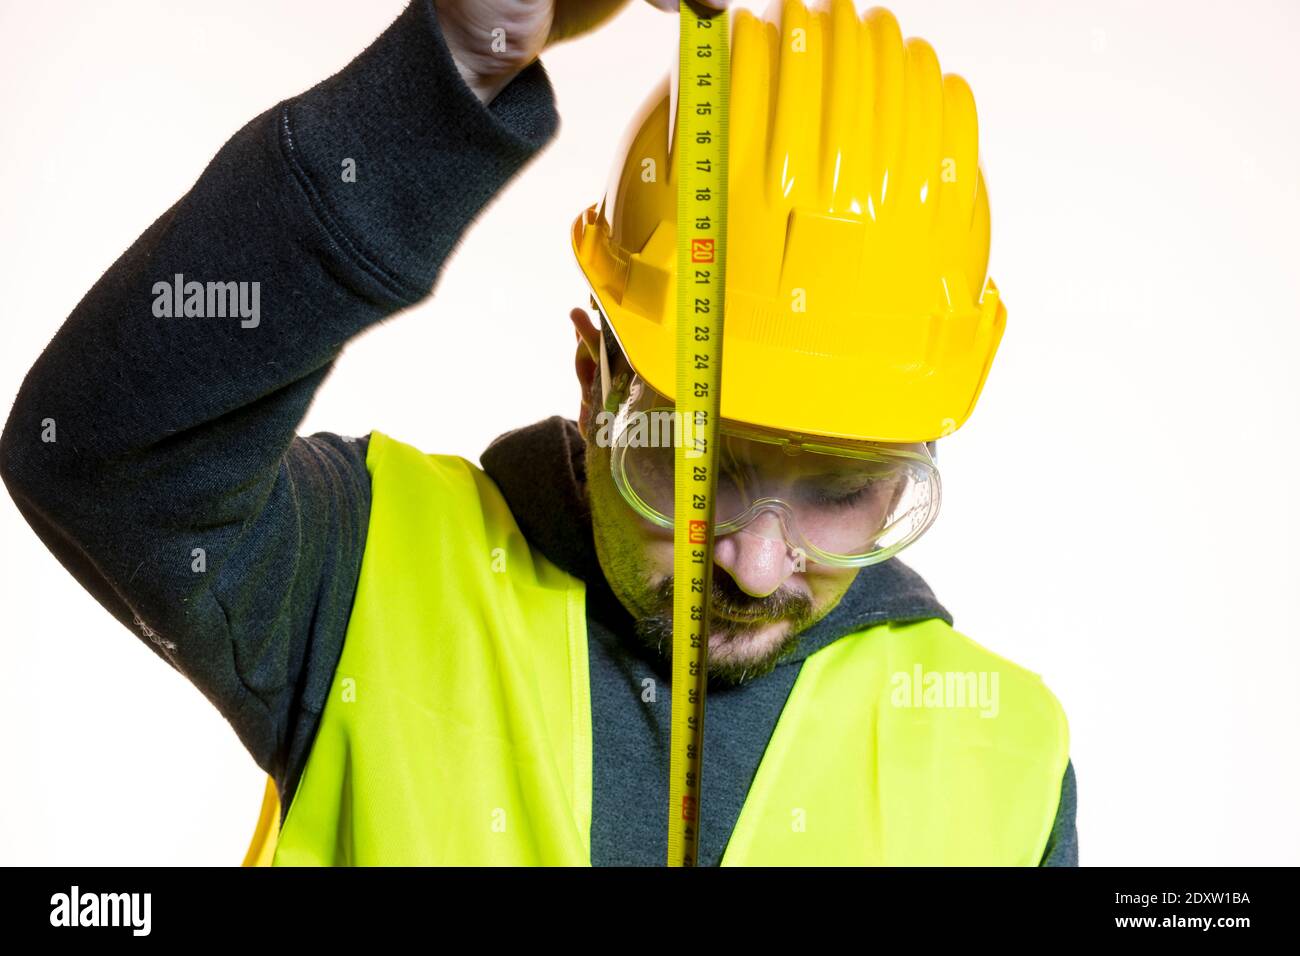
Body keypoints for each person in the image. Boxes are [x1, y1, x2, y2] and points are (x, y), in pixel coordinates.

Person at [0, 0, 1077, 865]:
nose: (751, 561)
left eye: (839, 489)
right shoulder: (362, 579)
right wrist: (440, 81)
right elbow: (100, 452)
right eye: (696, 460)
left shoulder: (1006, 758)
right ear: (593, 377)